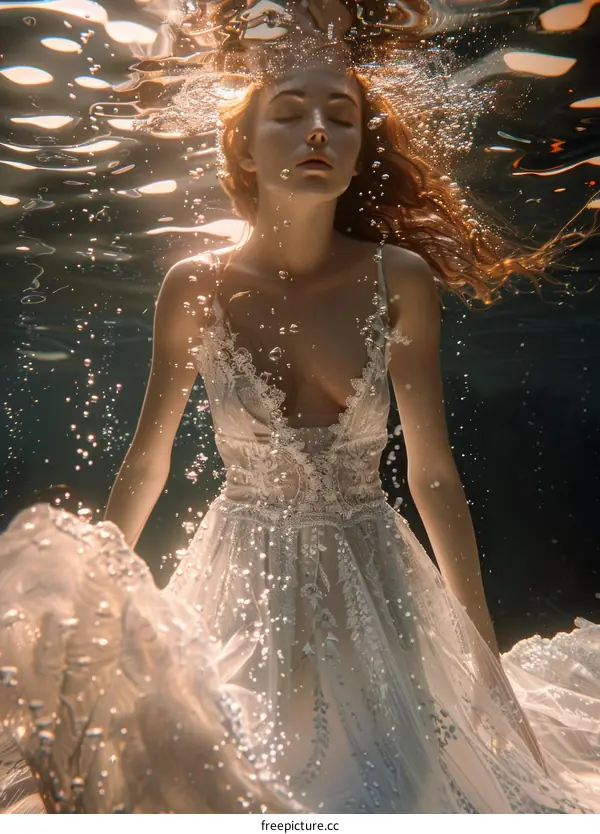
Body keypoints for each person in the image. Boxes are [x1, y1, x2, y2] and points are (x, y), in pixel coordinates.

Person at [1, 2, 599, 815]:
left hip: (378, 590)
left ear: (360, 148)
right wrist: (100, 620)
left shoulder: (402, 279)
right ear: (244, 146)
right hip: (237, 585)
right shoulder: (194, 284)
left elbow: (433, 476)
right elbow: (149, 458)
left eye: (341, 116)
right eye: (288, 113)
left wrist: (484, 660)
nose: (317, 130)